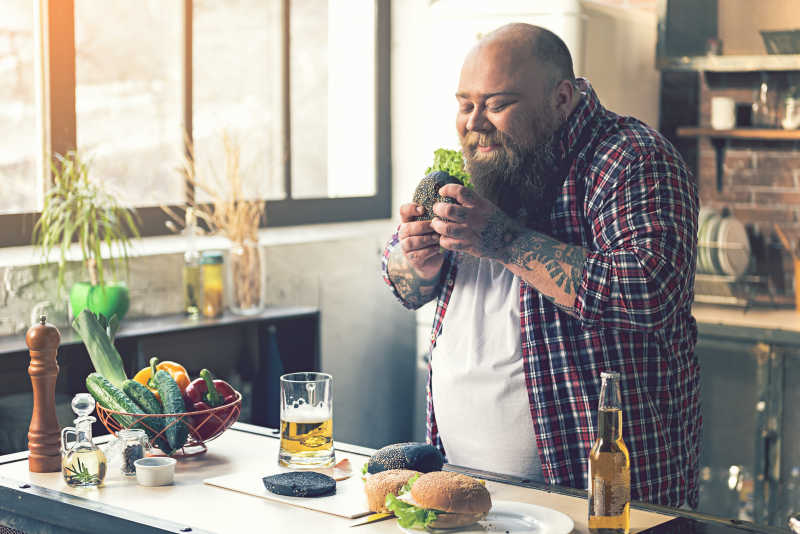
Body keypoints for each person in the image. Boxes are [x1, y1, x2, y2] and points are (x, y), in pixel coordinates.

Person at [381, 23, 700, 509]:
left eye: (497, 103)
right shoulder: (476, 159)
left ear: (561, 98)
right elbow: (401, 280)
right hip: (467, 490)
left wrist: (504, 240)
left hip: (595, 494)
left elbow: (650, 292)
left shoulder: (633, 158)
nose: (474, 122)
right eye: (466, 104)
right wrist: (416, 259)